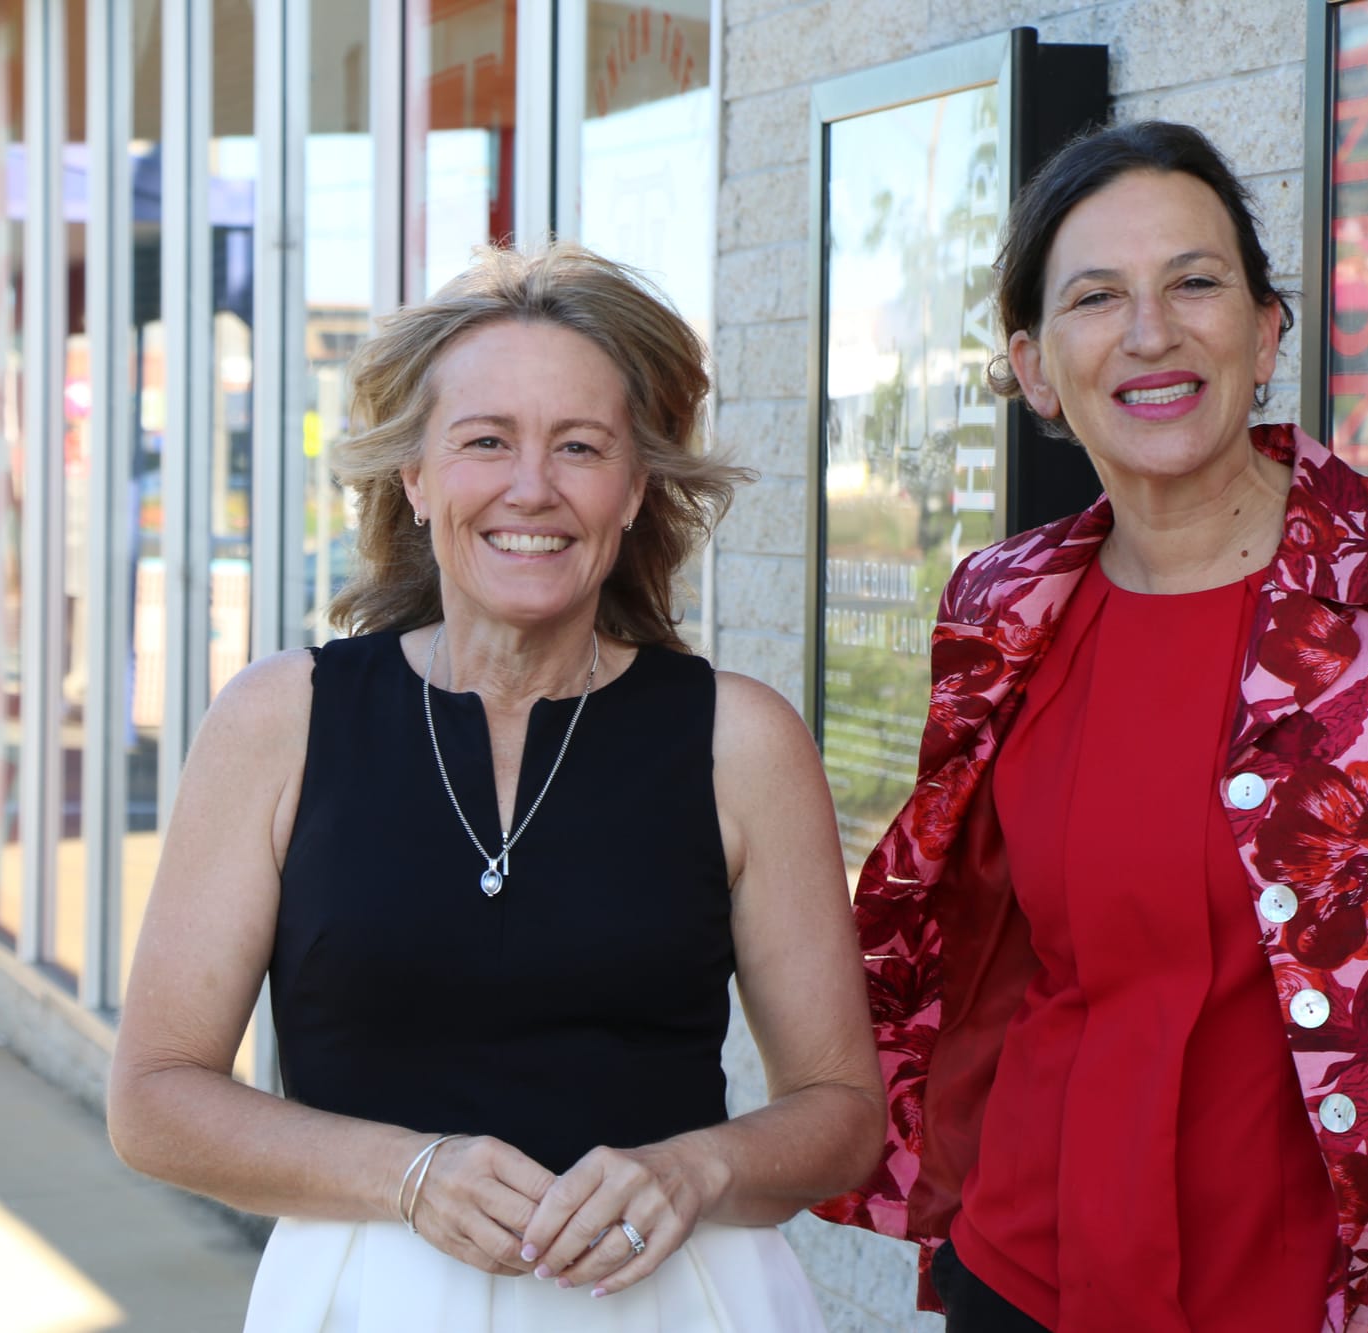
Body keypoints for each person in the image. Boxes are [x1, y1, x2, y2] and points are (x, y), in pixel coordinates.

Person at [813, 121, 1368, 1333]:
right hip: (1021, 1272)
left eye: (1192, 281)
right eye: (1094, 297)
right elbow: (958, 938)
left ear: (1266, 327)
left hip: (1303, 1299)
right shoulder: (998, 601)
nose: (1148, 331)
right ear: (1031, 367)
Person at [108, 242, 884, 1333]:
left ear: (632, 489)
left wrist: (693, 1171)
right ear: (415, 479)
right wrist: (409, 1171)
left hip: (671, 1304)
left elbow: (843, 1114)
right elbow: (155, 1100)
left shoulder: (737, 740)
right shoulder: (280, 721)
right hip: (364, 1303)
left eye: (579, 446)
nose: (533, 487)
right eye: (485, 441)